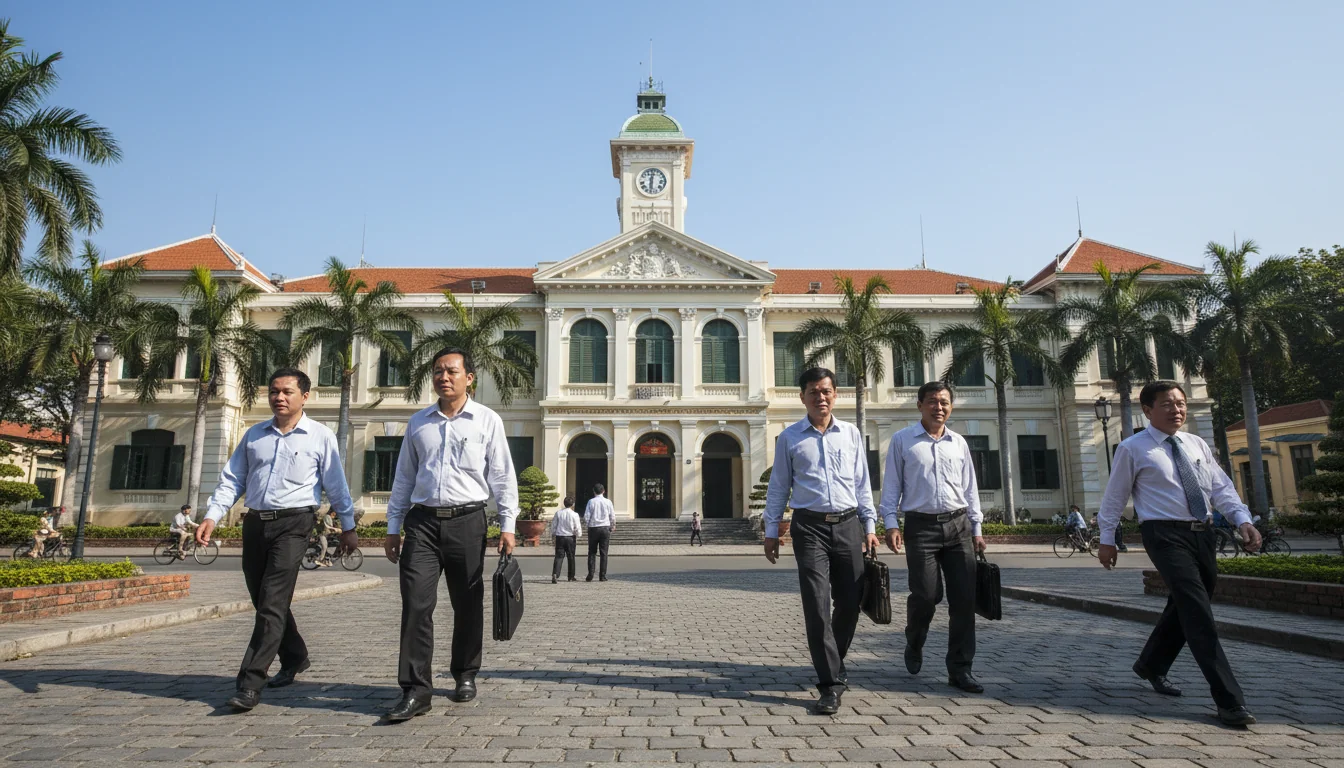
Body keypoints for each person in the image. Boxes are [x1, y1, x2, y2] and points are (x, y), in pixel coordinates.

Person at [1098, 380, 1261, 727]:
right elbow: (1114, 497)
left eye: (1180, 403)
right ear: (1147, 410)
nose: (1177, 410)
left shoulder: (1196, 443)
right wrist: (1107, 538)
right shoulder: (1132, 448)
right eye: (1167, 404)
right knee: (1198, 613)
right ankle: (1229, 701)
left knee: (1185, 605)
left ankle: (1151, 664)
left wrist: (1242, 520)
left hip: (1203, 534)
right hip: (1163, 535)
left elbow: (1221, 487)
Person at [197, 367, 358, 713]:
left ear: (305, 397)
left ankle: (250, 682)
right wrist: (212, 515)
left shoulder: (320, 436)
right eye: (273, 391)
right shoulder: (255, 435)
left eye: (287, 391)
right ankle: (296, 656)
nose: (279, 397)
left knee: (271, 601)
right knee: (264, 599)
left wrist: (348, 526)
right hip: (255, 523)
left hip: (295, 524)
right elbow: (232, 480)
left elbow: (336, 484)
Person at [383, 347, 518, 722]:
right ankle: (415, 690)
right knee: (416, 606)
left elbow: (503, 476)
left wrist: (507, 524)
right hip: (422, 523)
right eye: (438, 371)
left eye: (452, 371)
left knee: (467, 604)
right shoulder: (418, 423)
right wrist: (394, 526)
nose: (444, 377)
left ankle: (465, 673)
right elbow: (404, 479)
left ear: (469, 378)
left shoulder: (486, 421)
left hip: (468, 521)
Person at [764, 367, 880, 715]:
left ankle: (835, 659)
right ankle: (830, 684)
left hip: (848, 526)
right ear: (802, 397)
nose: (821, 397)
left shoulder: (851, 435)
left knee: (850, 601)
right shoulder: (789, 438)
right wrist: (772, 531)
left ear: (835, 395)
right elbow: (779, 488)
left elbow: (862, 484)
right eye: (813, 392)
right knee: (817, 605)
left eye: (826, 391)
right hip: (809, 527)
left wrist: (870, 524)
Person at [879, 381, 987, 694]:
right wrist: (890, 523)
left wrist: (977, 529)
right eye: (932, 402)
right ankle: (915, 639)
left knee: (964, 602)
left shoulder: (959, 443)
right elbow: (892, 486)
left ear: (950, 406)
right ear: (920, 405)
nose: (938, 407)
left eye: (944, 402)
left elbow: (970, 490)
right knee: (926, 596)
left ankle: (960, 669)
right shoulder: (903, 441)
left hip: (958, 526)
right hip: (920, 527)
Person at [583, 484, 614, 582]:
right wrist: (613, 525)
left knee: (592, 552)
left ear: (594, 491)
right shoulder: (608, 502)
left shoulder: (591, 502)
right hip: (605, 527)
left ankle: (590, 574)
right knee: (604, 553)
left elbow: (586, 516)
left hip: (593, 528)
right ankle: (602, 575)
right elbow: (612, 515)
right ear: (603, 491)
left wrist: (587, 525)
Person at [550, 495, 582, 584]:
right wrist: (578, 534)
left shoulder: (558, 513)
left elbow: (554, 525)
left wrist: (553, 534)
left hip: (560, 537)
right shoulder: (575, 514)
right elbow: (577, 527)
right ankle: (571, 576)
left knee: (559, 556)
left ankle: (555, 573)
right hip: (570, 537)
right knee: (571, 557)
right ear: (573, 504)